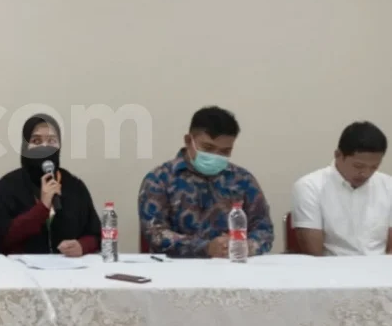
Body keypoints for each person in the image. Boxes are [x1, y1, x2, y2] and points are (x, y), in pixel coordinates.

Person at [138, 106, 273, 258]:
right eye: (208, 148)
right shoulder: (160, 179)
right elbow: (155, 234)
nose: (216, 155)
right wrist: (206, 248)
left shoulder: (243, 180)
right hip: (177, 268)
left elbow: (264, 230)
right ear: (188, 141)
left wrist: (245, 246)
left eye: (225, 151)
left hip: (233, 265)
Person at [0, 114, 101, 256]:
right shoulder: (8, 186)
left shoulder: (75, 186)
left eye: (51, 141)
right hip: (19, 268)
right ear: (25, 147)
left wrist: (82, 246)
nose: (45, 146)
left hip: (67, 268)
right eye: (36, 141)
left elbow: (97, 235)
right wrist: (41, 208)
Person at [291, 122, 392, 256]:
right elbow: (314, 254)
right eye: (358, 166)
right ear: (338, 155)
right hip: (332, 266)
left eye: (374, 167)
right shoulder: (310, 187)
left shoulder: (388, 186)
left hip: (379, 265)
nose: (366, 174)